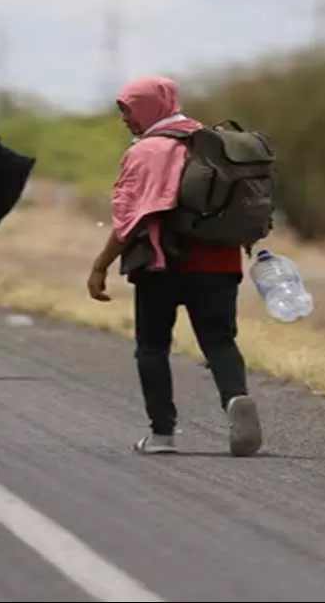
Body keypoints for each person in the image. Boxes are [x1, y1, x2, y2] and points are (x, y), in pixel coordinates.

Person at [86, 75, 263, 458]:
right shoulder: (213, 142)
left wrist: (100, 266)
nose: (125, 119)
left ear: (151, 106)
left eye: (128, 110)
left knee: (152, 347)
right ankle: (235, 398)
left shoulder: (146, 151)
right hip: (219, 262)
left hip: (160, 265)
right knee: (219, 342)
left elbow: (129, 221)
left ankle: (162, 434)